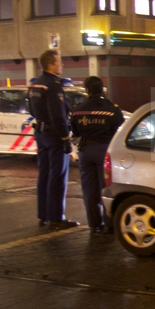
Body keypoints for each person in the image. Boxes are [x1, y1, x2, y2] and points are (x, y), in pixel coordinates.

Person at [28, 49, 78, 229]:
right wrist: (65, 138)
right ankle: (56, 217)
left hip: (41, 134)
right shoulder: (53, 85)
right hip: (55, 136)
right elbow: (58, 115)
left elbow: (32, 111)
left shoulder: (35, 84)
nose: (62, 65)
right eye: (59, 62)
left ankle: (43, 215)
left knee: (44, 175)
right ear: (50, 65)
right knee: (58, 176)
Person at [71, 76, 124, 234]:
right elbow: (119, 129)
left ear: (86, 90)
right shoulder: (112, 108)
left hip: (86, 151)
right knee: (106, 187)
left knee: (89, 189)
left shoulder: (78, 109)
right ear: (102, 89)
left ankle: (94, 224)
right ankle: (109, 224)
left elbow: (75, 131)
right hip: (105, 150)